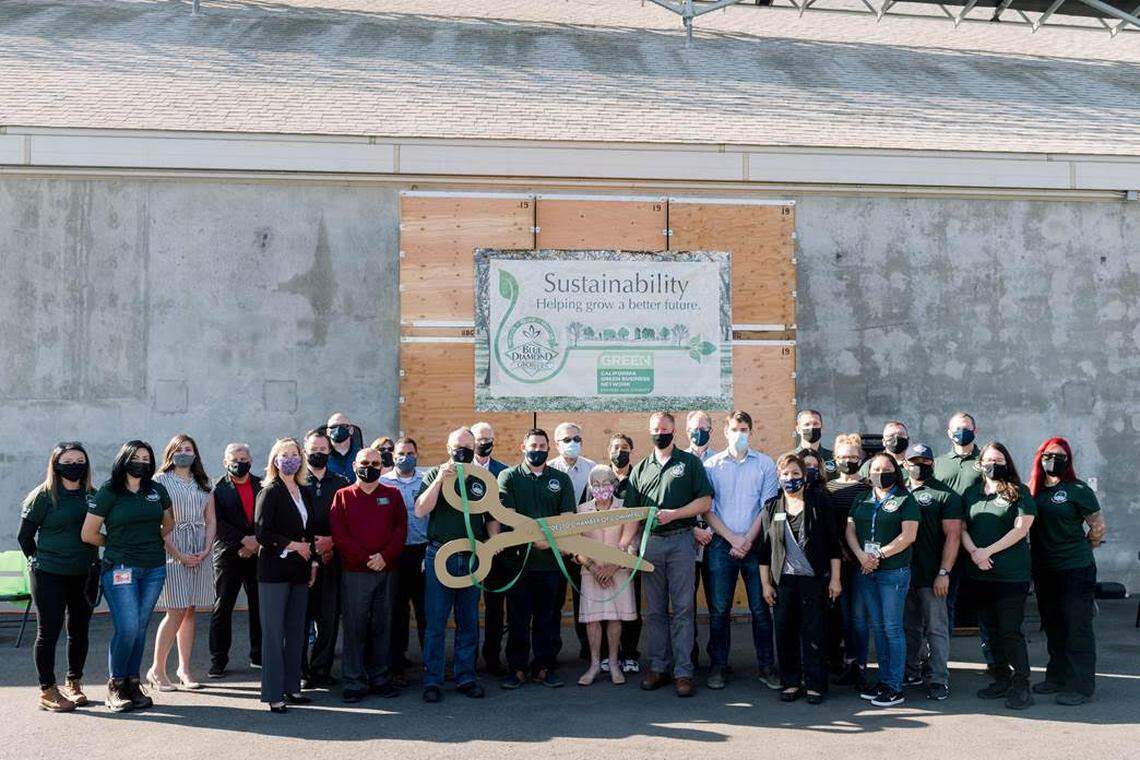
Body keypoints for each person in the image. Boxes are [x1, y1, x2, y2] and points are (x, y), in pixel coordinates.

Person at [82, 440, 174, 713]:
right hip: (121, 567)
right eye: (136, 457)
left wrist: (147, 538)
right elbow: (88, 533)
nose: (142, 462)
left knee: (140, 627)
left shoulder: (156, 490)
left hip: (154, 567)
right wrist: (117, 543)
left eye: (147, 458)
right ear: (124, 459)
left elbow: (169, 523)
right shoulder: (109, 492)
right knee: (128, 627)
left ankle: (132, 683)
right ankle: (116, 684)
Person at [626, 412, 714, 697]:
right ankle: (659, 667)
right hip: (651, 544)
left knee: (684, 609)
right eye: (655, 429)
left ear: (674, 431)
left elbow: (705, 500)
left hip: (681, 541)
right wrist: (626, 544)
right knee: (654, 611)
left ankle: (684, 672)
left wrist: (675, 514)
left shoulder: (689, 463)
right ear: (649, 432)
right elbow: (631, 514)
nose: (660, 433)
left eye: (664, 428)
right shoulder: (640, 469)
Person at [702, 410, 779, 691]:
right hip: (721, 545)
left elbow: (767, 507)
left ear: (751, 431)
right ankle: (719, 666)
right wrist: (733, 539)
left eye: (744, 429)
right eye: (735, 429)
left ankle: (767, 666)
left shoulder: (765, 464)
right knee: (719, 610)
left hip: (755, 545)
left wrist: (746, 539)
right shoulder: (710, 465)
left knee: (760, 609)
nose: (739, 434)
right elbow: (706, 510)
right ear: (725, 431)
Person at [18, 442, 98, 712]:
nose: (74, 466)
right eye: (68, 461)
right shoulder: (43, 496)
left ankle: (73, 682)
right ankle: (47, 690)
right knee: (48, 632)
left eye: (79, 461)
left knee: (79, 630)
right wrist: (38, 563)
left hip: (84, 573)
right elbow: (25, 537)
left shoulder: (92, 494)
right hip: (49, 573)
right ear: (55, 464)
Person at [1028, 437, 1106, 706]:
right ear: (1040, 457)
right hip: (1044, 569)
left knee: (1077, 627)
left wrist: (1086, 548)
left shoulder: (1078, 489)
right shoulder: (1034, 490)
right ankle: (1057, 676)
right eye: (1049, 455)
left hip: (1076, 569)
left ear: (1068, 460)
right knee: (1053, 625)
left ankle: (1081, 685)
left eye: (1060, 456)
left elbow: (1098, 527)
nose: (1054, 460)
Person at [759, 453, 842, 704]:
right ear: (778, 477)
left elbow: (833, 546)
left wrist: (835, 579)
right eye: (785, 474)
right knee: (784, 633)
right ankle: (791, 682)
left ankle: (816, 684)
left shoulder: (819, 503)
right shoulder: (771, 507)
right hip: (783, 581)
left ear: (804, 477)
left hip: (813, 580)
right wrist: (765, 584)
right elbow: (763, 551)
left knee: (814, 633)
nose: (790, 478)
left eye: (795, 474)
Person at [414, 427, 488, 703]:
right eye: (458, 446)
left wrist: (491, 546)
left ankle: (466, 677)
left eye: (469, 446)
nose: (463, 451)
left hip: (472, 556)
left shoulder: (481, 477)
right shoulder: (434, 473)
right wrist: (439, 482)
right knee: (435, 621)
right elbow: (421, 510)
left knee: (468, 620)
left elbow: (491, 516)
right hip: (440, 554)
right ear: (448, 448)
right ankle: (433, 680)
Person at [499, 429, 577, 689]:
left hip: (550, 564)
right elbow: (507, 516)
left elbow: (567, 520)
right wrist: (533, 536)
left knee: (548, 618)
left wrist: (548, 540)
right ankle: (517, 668)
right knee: (518, 619)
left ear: (548, 449)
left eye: (542, 446)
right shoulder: (508, 476)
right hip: (518, 562)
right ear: (523, 447)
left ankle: (545, 667)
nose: (537, 450)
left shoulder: (560, 479)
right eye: (533, 445)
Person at [961, 441, 1037, 710]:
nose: (994, 465)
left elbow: (1020, 529)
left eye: (999, 461)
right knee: (990, 630)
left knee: (1010, 631)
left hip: (1011, 576)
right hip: (980, 575)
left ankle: (1021, 683)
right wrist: (973, 553)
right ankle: (1001, 678)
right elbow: (961, 527)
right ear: (980, 465)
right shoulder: (971, 493)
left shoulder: (1020, 492)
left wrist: (986, 552)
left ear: (1007, 464)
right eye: (989, 461)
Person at [330, 448, 408, 702]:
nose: (370, 467)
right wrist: (366, 559)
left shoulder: (392, 495)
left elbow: (400, 529)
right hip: (355, 573)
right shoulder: (342, 496)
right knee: (354, 626)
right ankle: (354, 681)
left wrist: (384, 557)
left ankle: (380, 677)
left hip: (387, 571)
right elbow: (340, 534)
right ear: (355, 465)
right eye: (365, 462)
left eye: (375, 463)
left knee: (383, 625)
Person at [845, 452, 919, 707]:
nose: (880, 472)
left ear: (895, 472)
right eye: (875, 468)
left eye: (886, 468)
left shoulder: (904, 498)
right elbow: (850, 529)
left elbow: (908, 536)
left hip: (893, 572)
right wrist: (861, 556)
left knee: (892, 628)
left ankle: (895, 685)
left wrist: (877, 555)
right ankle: (884, 680)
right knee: (877, 628)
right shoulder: (862, 497)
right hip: (866, 570)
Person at [255, 437, 319, 713]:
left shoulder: (304, 491)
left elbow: (310, 531)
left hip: (300, 571)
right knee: (273, 633)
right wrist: (294, 546)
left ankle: (292, 687)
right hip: (274, 572)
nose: (291, 459)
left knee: (297, 632)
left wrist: (313, 561)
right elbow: (262, 533)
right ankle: (273, 693)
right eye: (285, 454)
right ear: (275, 460)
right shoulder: (269, 491)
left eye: (295, 454)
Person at [149, 435, 216, 692]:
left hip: (199, 549)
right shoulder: (159, 481)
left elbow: (210, 520)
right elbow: (159, 524)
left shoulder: (204, 482)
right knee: (175, 609)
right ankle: (157, 669)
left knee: (189, 610)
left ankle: (184, 669)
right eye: (179, 449)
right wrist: (178, 554)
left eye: (188, 449)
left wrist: (206, 548)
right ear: (170, 453)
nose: (184, 453)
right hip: (173, 548)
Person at [900, 443, 962, 701]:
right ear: (905, 464)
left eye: (924, 462)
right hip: (902, 574)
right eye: (914, 461)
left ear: (932, 464)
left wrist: (944, 572)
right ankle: (912, 670)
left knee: (936, 628)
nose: (919, 466)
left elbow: (953, 536)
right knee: (909, 627)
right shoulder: (898, 490)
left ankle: (938, 678)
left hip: (931, 575)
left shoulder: (945, 495)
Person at [933, 410, 990, 668]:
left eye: (966, 428)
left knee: (987, 606)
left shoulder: (986, 461)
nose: (961, 432)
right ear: (948, 432)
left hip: (980, 542)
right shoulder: (938, 463)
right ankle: (942, 661)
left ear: (975, 431)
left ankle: (995, 661)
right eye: (957, 428)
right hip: (948, 543)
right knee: (945, 603)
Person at [575, 466, 639, 686]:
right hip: (590, 572)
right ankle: (594, 665)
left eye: (606, 482)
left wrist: (612, 567)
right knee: (592, 620)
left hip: (618, 572)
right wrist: (593, 567)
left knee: (615, 618)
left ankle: (613, 664)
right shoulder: (581, 511)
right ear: (590, 486)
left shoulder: (625, 509)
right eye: (596, 483)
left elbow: (631, 544)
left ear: (614, 484)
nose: (601, 487)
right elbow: (576, 544)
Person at [301, 429, 350, 689]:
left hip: (332, 560)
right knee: (299, 619)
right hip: (301, 560)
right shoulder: (295, 483)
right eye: (313, 449)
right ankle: (300, 671)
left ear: (329, 451)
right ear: (304, 450)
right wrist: (312, 546)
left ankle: (321, 670)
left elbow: (348, 522)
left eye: (322, 450)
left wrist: (332, 542)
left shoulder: (340, 483)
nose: (318, 454)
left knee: (328, 619)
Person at [208, 443, 262, 678]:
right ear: (225, 461)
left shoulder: (263, 485)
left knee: (259, 605)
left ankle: (259, 654)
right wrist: (242, 542)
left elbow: (269, 516)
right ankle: (218, 660)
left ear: (250, 460)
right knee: (223, 607)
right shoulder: (217, 490)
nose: (239, 462)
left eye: (243, 457)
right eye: (234, 458)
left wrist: (255, 543)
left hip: (258, 552)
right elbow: (216, 523)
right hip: (229, 555)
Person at [382, 436, 429, 684]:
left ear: (417, 454)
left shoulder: (427, 480)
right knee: (397, 611)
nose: (405, 457)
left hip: (422, 552)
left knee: (425, 611)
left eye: (410, 453)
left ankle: (430, 664)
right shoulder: (383, 483)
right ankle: (396, 665)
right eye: (400, 453)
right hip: (396, 553)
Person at [549, 421, 596, 662]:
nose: (572, 444)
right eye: (567, 440)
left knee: (585, 600)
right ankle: (551, 652)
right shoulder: (547, 470)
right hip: (555, 548)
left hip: (585, 546)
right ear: (556, 444)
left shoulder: (593, 470)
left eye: (576, 439)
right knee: (553, 603)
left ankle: (589, 649)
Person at [826, 434, 871, 687]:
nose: (848, 461)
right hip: (837, 563)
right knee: (842, 616)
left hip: (863, 562)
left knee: (859, 617)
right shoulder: (828, 489)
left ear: (861, 458)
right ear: (835, 459)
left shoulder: (867, 487)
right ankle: (845, 662)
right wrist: (840, 550)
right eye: (843, 457)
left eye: (853, 457)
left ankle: (860, 666)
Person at [469, 422, 511, 675]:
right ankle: (468, 659)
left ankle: (492, 657)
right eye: (480, 439)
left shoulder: (503, 472)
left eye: (489, 439)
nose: (485, 443)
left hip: (497, 551)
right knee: (468, 606)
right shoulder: (460, 471)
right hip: (470, 548)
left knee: (495, 607)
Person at [682, 410, 718, 670]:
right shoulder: (678, 461)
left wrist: (713, 531)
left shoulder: (720, 461)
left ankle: (718, 658)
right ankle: (689, 656)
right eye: (695, 427)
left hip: (716, 541)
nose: (699, 432)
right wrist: (694, 528)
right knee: (687, 604)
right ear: (686, 431)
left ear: (712, 430)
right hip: (687, 540)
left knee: (718, 603)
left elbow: (723, 502)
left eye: (704, 427)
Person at [322, 412, 364, 481]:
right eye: (334, 427)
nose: (338, 429)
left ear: (351, 430)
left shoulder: (362, 455)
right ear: (328, 432)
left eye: (344, 426)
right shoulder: (321, 456)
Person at [794, 409, 835, 476]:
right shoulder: (791, 458)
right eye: (807, 424)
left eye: (816, 424)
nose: (812, 427)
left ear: (822, 428)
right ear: (798, 429)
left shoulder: (833, 458)